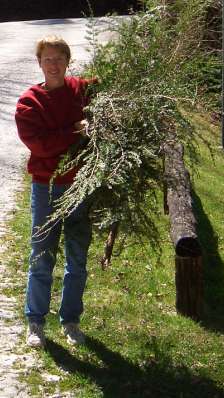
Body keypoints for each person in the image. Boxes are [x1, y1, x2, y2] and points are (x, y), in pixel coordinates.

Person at [15, 35, 97, 348]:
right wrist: (75, 131)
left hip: (80, 185)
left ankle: (70, 319)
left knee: (77, 256)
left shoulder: (81, 89)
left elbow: (111, 85)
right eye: (47, 59)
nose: (53, 64)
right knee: (41, 255)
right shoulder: (29, 102)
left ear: (67, 61)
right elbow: (40, 145)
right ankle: (35, 321)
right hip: (46, 187)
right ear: (39, 63)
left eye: (59, 58)